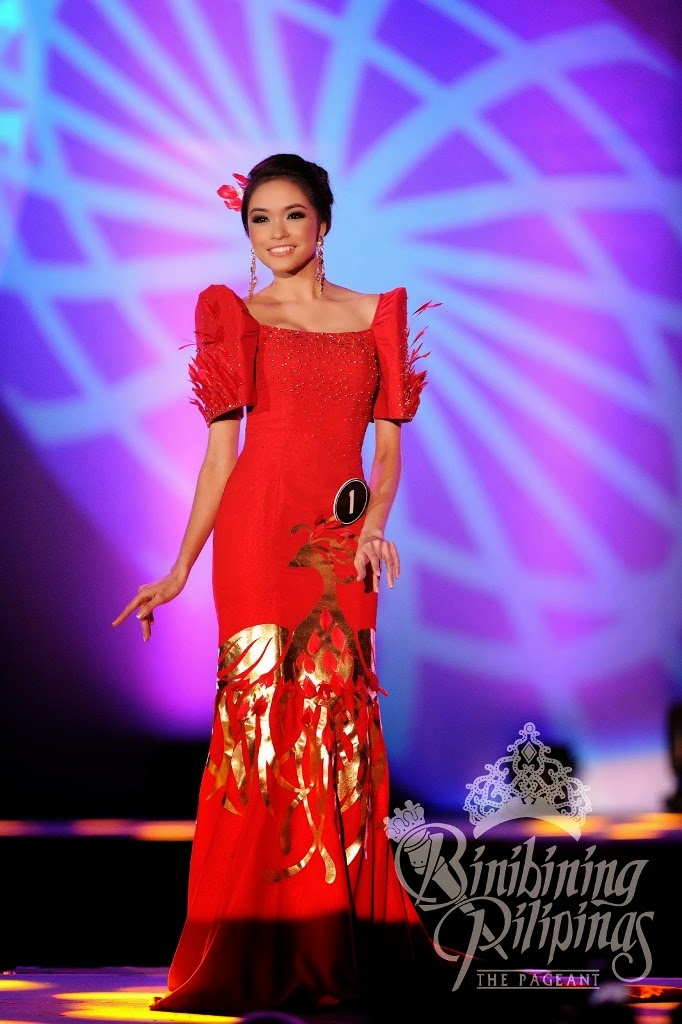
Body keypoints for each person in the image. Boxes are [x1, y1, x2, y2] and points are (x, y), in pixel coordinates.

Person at [112, 153, 445, 1016]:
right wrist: (180, 568)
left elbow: (390, 448)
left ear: (324, 223)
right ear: (246, 231)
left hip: (339, 546)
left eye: (293, 216)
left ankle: (338, 938)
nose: (277, 234)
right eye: (260, 219)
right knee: (260, 738)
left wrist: (373, 527)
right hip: (257, 543)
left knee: (340, 732)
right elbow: (220, 458)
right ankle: (254, 940)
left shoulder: (377, 314)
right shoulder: (238, 319)